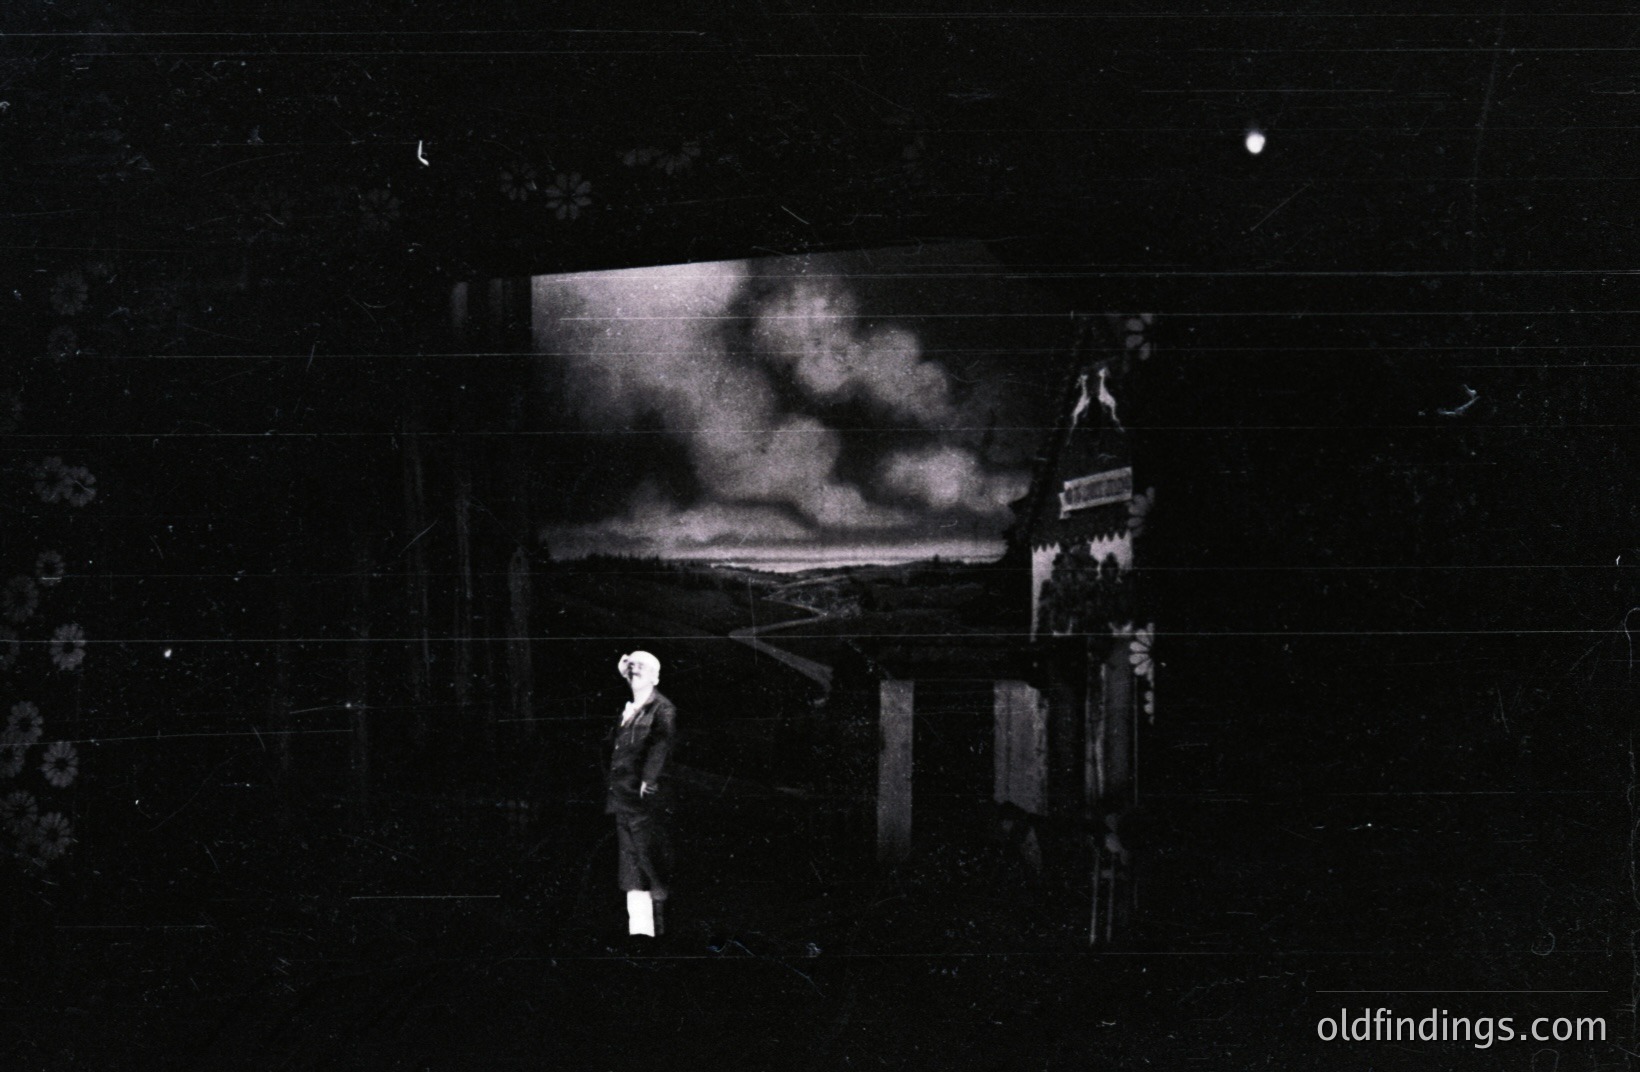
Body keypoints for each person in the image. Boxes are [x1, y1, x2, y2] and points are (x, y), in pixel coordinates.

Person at [606, 650, 677, 938]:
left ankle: (662, 933)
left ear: (655, 676)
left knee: (650, 863)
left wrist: (649, 779)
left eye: (642, 667)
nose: (635, 670)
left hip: (642, 799)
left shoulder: (662, 709)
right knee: (631, 869)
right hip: (622, 798)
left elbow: (663, 744)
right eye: (632, 667)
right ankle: (640, 935)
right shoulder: (628, 708)